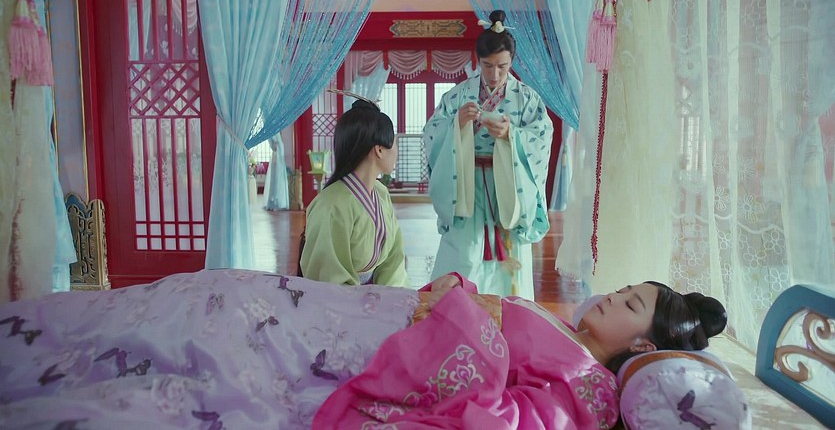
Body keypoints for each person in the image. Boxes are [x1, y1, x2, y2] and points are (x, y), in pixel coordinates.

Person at [0, 269, 725, 429]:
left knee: (220, 328)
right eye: (625, 287)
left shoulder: (588, 392)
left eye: (630, 303)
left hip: (375, 347)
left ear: (642, 343)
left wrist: (468, 318)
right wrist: (465, 298)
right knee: (218, 294)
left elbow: (503, 418)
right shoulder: (569, 338)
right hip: (373, 314)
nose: (612, 296)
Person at [423, 9, 553, 300]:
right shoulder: (457, 96)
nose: (494, 74)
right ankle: (459, 311)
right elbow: (432, 133)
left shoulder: (527, 98)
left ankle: (509, 313)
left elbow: (542, 136)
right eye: (487, 65)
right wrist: (457, 124)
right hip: (467, 188)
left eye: (502, 67)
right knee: (465, 255)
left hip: (508, 187)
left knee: (509, 260)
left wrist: (512, 136)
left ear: (512, 61)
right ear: (478, 60)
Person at [300, 97, 408, 287]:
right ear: (379, 149)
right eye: (394, 143)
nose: (396, 150)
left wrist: (390, 297)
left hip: (378, 297)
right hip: (340, 301)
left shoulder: (381, 193)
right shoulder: (330, 205)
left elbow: (393, 259)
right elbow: (327, 277)